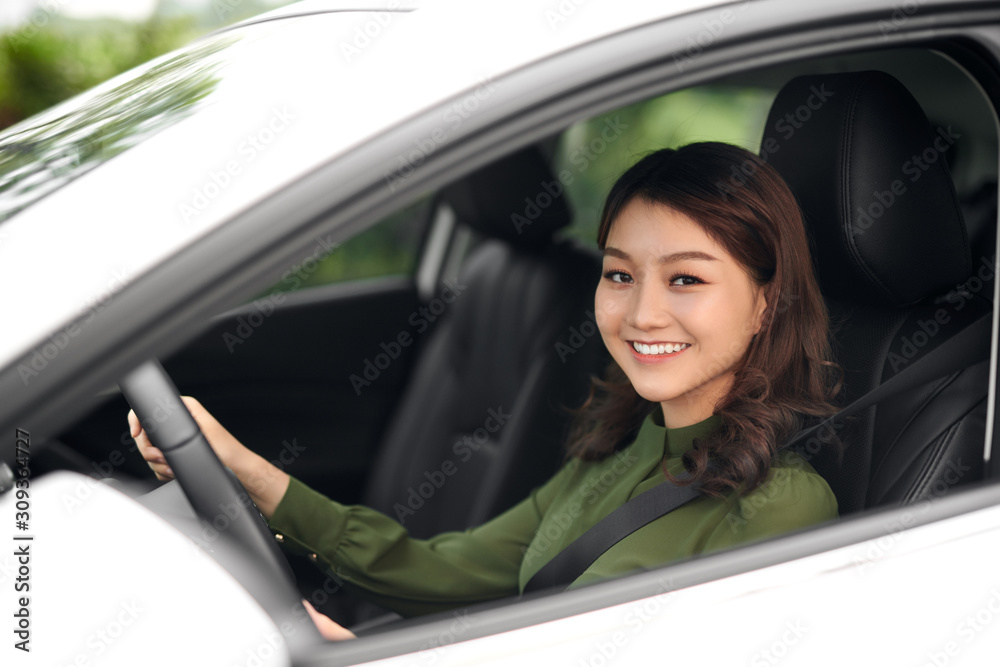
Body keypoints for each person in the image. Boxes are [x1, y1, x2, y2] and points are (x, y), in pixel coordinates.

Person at [130, 142, 841, 640]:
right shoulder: (620, 445)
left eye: (686, 278)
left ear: (765, 304)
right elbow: (446, 567)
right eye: (620, 274)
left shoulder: (783, 503)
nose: (641, 313)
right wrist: (249, 474)